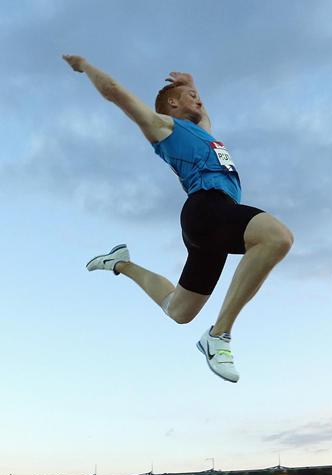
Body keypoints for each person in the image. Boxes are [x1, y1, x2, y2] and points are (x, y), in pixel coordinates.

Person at [62, 55, 294, 383]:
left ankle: (119, 263)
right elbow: (115, 91)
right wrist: (85, 65)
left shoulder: (204, 133)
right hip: (206, 210)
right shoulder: (164, 127)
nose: (199, 100)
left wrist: (193, 87)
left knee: (178, 310)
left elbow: (205, 116)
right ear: (172, 103)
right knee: (277, 237)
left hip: (214, 223)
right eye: (190, 97)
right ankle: (218, 335)